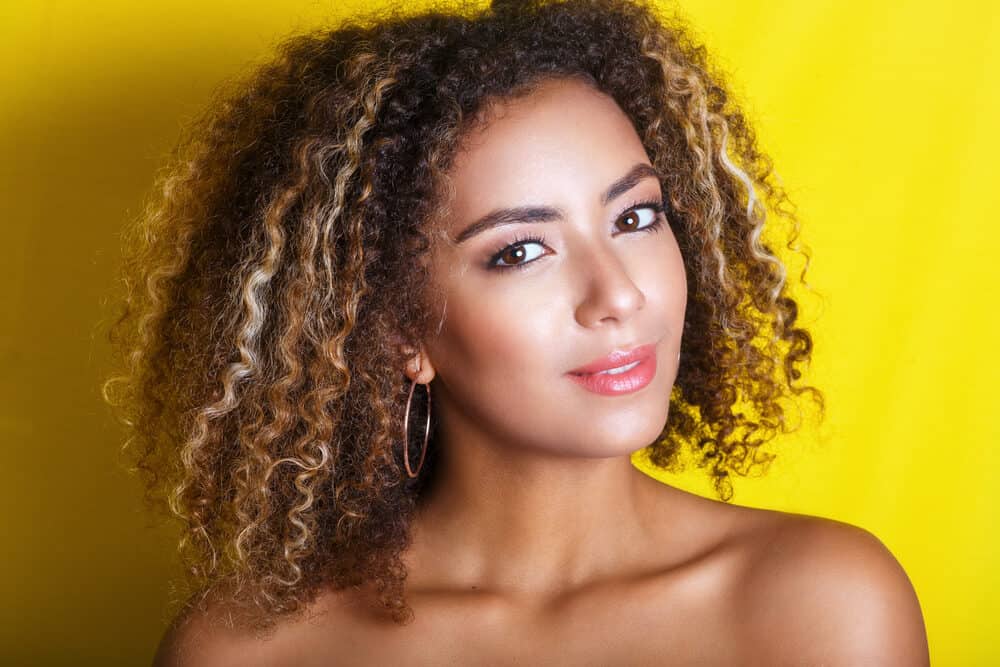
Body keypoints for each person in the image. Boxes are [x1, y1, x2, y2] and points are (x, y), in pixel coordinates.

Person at [104, 0, 929, 663]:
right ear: (396, 331)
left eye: (637, 215)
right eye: (521, 250)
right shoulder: (251, 647)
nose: (617, 294)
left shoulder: (824, 606)